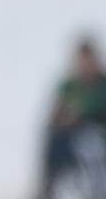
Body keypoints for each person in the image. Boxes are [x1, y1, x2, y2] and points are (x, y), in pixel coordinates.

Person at [36, 35, 106, 199]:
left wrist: (78, 115)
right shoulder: (69, 84)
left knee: (89, 143)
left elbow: (91, 111)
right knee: (53, 140)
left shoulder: (102, 84)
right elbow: (56, 113)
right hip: (68, 137)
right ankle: (48, 187)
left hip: (96, 136)